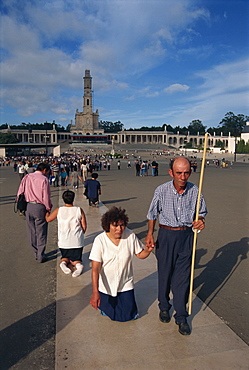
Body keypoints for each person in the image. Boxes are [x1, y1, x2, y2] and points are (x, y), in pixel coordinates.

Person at [146, 157, 207, 336]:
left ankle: (181, 316)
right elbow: (152, 214)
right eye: (179, 172)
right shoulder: (161, 190)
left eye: (186, 172)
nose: (183, 176)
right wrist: (150, 233)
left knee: (182, 278)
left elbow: (201, 213)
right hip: (166, 235)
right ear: (171, 172)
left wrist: (201, 222)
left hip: (186, 236)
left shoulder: (195, 191)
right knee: (165, 274)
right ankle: (164, 306)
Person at [89, 207, 154, 322]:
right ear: (108, 225)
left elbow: (140, 254)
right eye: (115, 225)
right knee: (109, 313)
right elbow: (95, 269)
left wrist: (148, 250)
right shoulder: (100, 240)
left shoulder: (130, 235)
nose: (119, 229)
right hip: (106, 286)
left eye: (122, 225)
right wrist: (95, 292)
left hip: (125, 283)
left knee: (127, 316)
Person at [16, 162, 52, 263]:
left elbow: (20, 192)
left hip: (28, 206)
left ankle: (35, 252)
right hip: (40, 207)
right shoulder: (44, 179)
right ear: (45, 170)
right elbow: (46, 196)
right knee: (41, 231)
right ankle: (41, 255)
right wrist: (48, 208)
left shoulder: (27, 177)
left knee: (31, 231)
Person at [46, 190, 87, 277]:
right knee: (76, 260)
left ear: (63, 199)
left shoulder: (59, 210)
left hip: (64, 241)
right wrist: (80, 234)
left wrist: (47, 213)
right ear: (73, 199)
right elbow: (84, 226)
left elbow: (48, 219)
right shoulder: (79, 210)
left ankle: (63, 264)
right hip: (77, 241)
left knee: (65, 257)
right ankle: (78, 266)